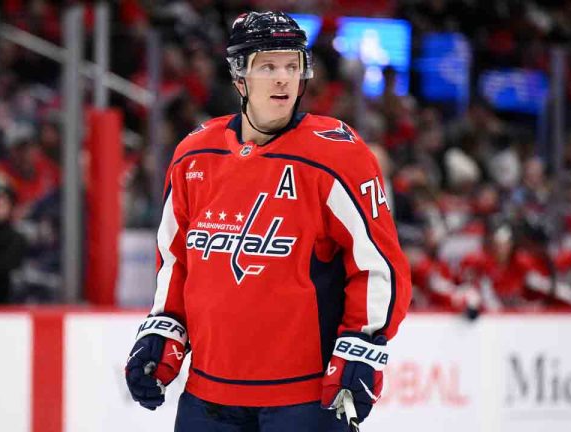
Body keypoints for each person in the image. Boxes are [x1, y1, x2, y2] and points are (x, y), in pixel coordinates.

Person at [124, 11, 412, 432]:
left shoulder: (338, 155)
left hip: (303, 399)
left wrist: (363, 345)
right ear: (239, 77)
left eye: (292, 66)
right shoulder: (193, 155)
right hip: (208, 397)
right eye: (268, 66)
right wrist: (164, 330)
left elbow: (378, 264)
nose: (283, 79)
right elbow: (176, 260)